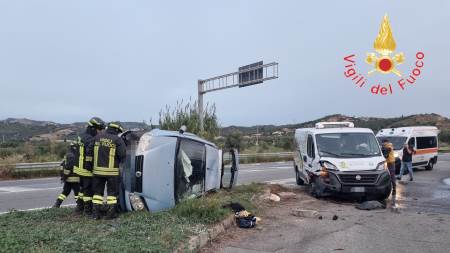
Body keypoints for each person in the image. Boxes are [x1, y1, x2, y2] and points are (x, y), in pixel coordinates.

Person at [89, 122, 126, 220]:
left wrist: (90, 165)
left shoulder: (97, 138)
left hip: (97, 172)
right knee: (112, 194)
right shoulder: (117, 139)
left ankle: (95, 215)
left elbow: (89, 152)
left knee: (97, 193)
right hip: (112, 172)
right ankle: (110, 214)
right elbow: (123, 155)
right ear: (117, 130)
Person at [73, 117, 106, 215]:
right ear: (92, 128)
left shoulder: (82, 136)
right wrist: (90, 166)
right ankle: (88, 211)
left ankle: (79, 208)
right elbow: (90, 154)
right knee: (88, 191)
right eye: (99, 129)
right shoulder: (89, 139)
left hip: (79, 167)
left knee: (82, 190)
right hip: (85, 169)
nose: (100, 132)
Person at [52, 144, 80, 208]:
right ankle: (79, 207)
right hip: (74, 178)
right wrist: (64, 176)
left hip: (67, 179)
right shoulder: (73, 155)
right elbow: (69, 167)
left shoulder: (67, 154)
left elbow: (62, 166)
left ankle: (57, 204)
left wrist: (63, 176)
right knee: (77, 193)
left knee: (65, 192)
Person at [381, 139, 396, 206]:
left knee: (390, 175)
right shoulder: (390, 145)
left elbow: (386, 155)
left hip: (389, 162)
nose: (382, 144)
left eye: (383, 143)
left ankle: (393, 188)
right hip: (391, 162)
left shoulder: (387, 147)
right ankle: (394, 187)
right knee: (392, 175)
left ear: (385, 142)